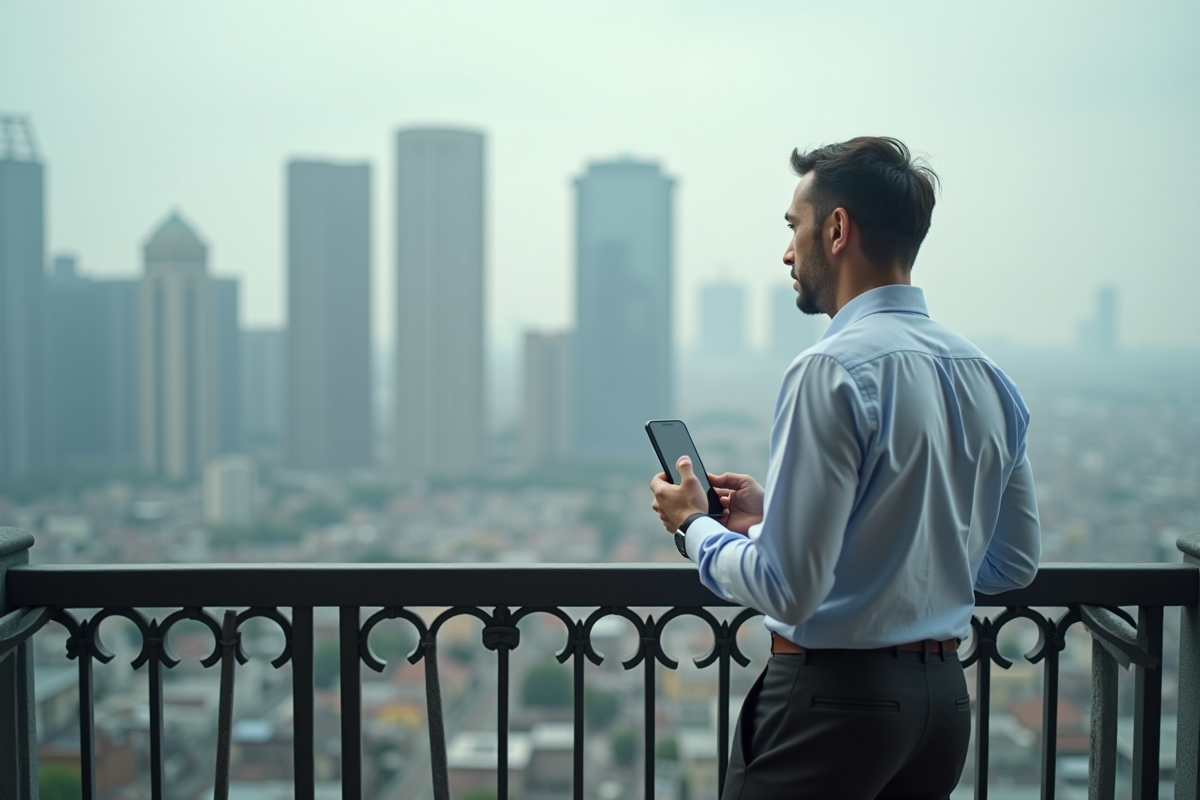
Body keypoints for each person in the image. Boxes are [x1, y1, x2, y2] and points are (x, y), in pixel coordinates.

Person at [649, 136, 1041, 799]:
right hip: (943, 707)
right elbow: (1012, 566)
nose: (785, 251)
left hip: (832, 708)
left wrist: (695, 528)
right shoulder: (988, 377)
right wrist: (778, 518)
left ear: (836, 229)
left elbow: (788, 589)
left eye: (792, 227)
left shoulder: (829, 370)